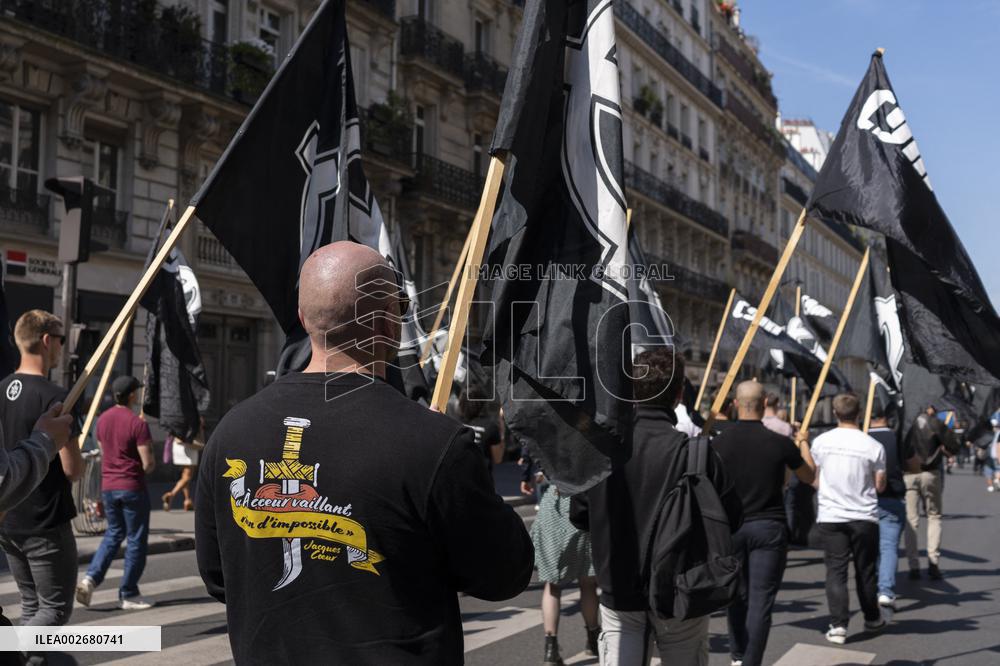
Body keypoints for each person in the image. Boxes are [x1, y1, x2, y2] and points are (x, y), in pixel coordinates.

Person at [195, 242, 533, 664]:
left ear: (303, 319)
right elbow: (505, 574)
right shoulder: (435, 442)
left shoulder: (230, 432)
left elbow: (218, 576)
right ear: (390, 325)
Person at [570, 347, 742, 666]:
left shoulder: (601, 450)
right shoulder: (699, 453)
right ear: (678, 396)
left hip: (619, 589)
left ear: (629, 391)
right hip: (681, 592)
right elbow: (732, 518)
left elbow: (579, 515)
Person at [712, 381, 816, 666]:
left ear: (735, 404)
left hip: (730, 527)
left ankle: (737, 654)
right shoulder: (779, 442)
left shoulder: (718, 441)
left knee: (736, 596)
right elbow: (808, 477)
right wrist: (804, 441)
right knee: (761, 601)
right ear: (763, 405)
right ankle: (751, 662)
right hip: (769, 527)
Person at [0, 310, 83, 629]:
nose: (61, 348)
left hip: (8, 518)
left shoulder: (0, 388)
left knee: (30, 603)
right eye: (61, 340)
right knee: (53, 609)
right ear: (48, 341)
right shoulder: (57, 399)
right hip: (45, 519)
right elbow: (72, 469)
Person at [75, 375, 157, 610]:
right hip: (132, 487)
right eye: (137, 391)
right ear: (131, 395)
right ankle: (129, 593)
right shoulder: (137, 423)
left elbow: (104, 452)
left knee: (113, 534)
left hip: (109, 487)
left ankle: (90, 578)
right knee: (135, 540)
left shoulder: (102, 420)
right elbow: (147, 463)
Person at [811, 393, 886, 644]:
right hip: (863, 515)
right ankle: (872, 617)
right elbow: (880, 485)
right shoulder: (873, 445)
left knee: (836, 571)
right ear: (860, 413)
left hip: (831, 514)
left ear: (834, 413)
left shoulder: (821, 442)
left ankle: (838, 625)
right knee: (865, 571)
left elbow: (815, 479)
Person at [524, 466, 599, 664]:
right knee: (588, 583)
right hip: (582, 505)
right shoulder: (589, 444)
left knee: (552, 585)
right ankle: (593, 640)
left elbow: (541, 473)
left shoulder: (550, 441)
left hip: (554, 508)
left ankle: (551, 648)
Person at [869, 407, 919, 610]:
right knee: (888, 546)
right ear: (887, 418)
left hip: (865, 499)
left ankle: (870, 586)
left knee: (869, 547)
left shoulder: (862, 437)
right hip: (892, 497)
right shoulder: (897, 437)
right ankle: (886, 591)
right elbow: (914, 465)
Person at [903, 405, 960, 580]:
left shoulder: (907, 421)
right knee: (934, 516)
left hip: (909, 472)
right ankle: (933, 561)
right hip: (930, 472)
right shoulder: (936, 423)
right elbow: (954, 446)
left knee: (911, 520)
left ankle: (913, 565)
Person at [161, 419, 204, 511]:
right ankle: (171, 494)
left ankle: (187, 500)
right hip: (189, 445)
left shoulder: (177, 413)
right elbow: (199, 424)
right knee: (187, 476)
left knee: (185, 475)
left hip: (178, 444)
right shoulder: (193, 412)